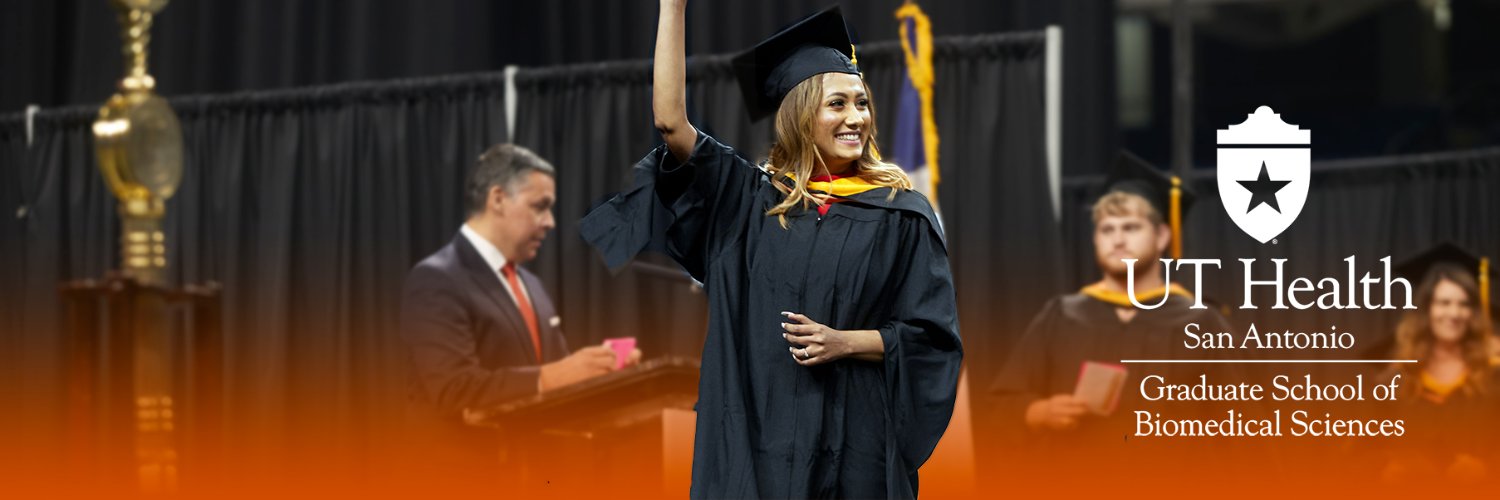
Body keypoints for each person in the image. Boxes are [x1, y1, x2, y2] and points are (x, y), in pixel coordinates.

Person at [579, 3, 961, 498]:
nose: (856, 118)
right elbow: (671, 123)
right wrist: (672, 7)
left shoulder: (900, 213)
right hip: (759, 449)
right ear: (802, 115)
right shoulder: (748, 203)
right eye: (837, 104)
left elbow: (931, 339)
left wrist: (846, 342)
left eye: (861, 103)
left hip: (857, 450)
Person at [400, 143, 639, 481]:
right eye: (540, 207)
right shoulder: (436, 278)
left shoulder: (532, 285)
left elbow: (556, 379)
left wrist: (602, 374)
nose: (551, 222)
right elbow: (454, 390)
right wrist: (558, 375)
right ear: (497, 199)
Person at [989, 152, 1234, 459]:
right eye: (1107, 229)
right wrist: (1037, 412)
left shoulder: (1199, 322)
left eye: (1131, 227)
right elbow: (1000, 406)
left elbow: (1244, 428)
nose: (1117, 240)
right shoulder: (1062, 315)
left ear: (1161, 236)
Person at [1380, 242, 1500, 483]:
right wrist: (1392, 470)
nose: (1454, 313)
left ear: (1473, 313)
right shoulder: (1397, 379)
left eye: (1464, 304)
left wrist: (1487, 470)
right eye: (1444, 303)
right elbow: (1367, 451)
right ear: (1427, 310)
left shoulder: (1493, 377)